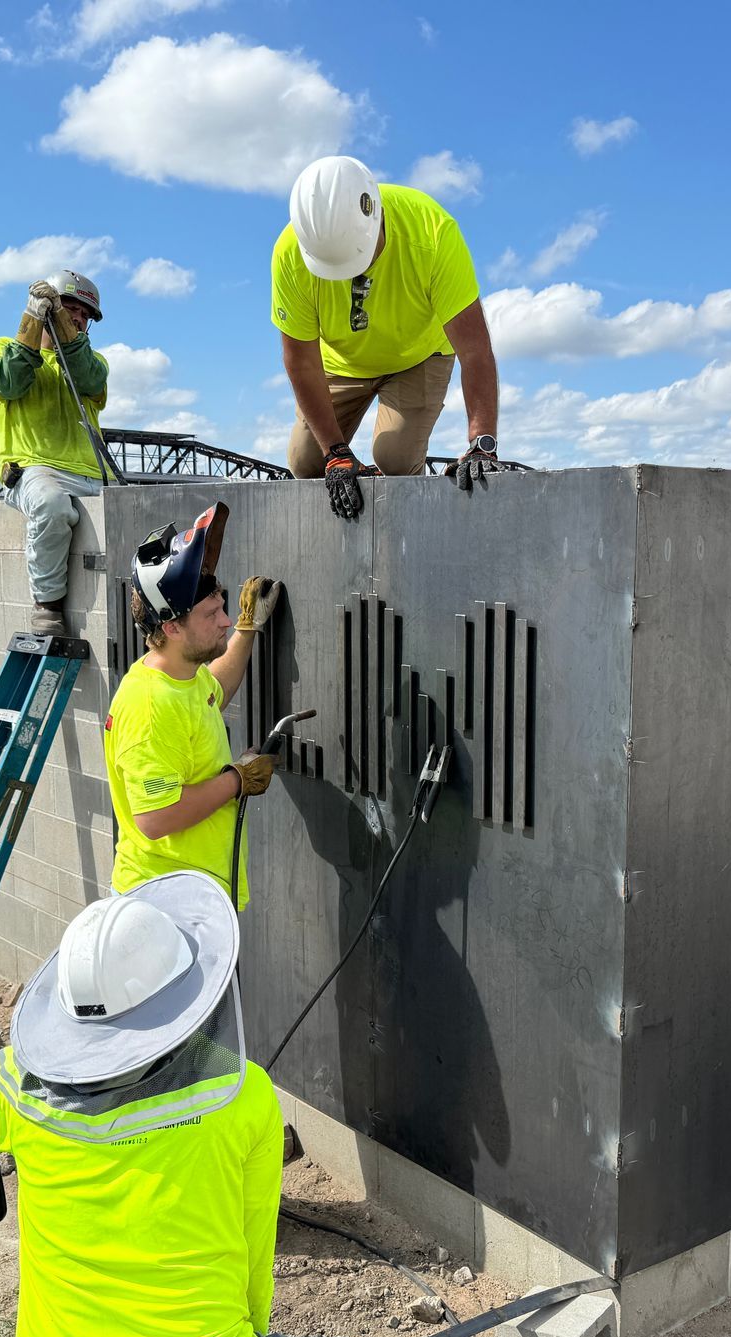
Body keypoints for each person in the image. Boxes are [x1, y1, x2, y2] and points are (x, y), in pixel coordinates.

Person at [0, 873, 391, 1337]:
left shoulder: (16, 1092)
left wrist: (2, 1070)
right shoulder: (244, 1096)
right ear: (190, 994)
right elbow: (256, 1267)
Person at [271, 155, 510, 522]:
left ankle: (406, 523)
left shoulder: (432, 232)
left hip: (419, 355)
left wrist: (482, 443)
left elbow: (475, 349)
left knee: (395, 457)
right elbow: (300, 359)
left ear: (377, 216)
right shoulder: (290, 254)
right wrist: (336, 452)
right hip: (342, 362)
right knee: (307, 461)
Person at [105, 501, 282, 910]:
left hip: (192, 894)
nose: (223, 619)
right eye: (212, 613)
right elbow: (156, 818)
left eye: (223, 608)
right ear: (171, 626)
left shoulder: (183, 676)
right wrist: (237, 779)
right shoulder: (150, 707)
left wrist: (247, 628)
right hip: (164, 908)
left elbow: (216, 686)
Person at [0, 269, 110, 636]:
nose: (78, 318)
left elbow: (87, 378)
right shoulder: (2, 350)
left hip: (90, 470)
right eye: (70, 308)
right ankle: (48, 605)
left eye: (85, 316)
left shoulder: (94, 362)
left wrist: (66, 336)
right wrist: (32, 320)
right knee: (51, 505)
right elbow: (9, 381)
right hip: (32, 469)